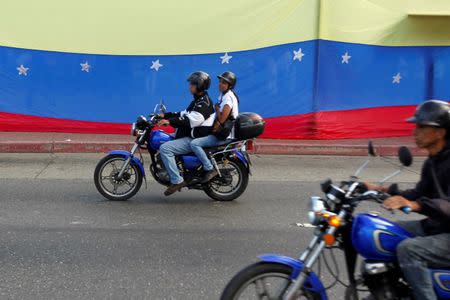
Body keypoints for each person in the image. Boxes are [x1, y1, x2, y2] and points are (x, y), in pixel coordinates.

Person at [365, 100, 450, 300]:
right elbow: (420, 192)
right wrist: (381, 191)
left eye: (421, 127)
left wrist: (414, 205)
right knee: (386, 232)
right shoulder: (432, 161)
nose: (415, 131)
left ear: (440, 132)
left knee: (409, 249)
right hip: (437, 226)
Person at [157, 71, 215, 196]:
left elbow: (189, 120)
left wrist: (169, 121)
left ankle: (177, 180)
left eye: (192, 84)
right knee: (163, 139)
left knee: (165, 148)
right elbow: (184, 113)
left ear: (199, 85)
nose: (190, 86)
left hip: (195, 137)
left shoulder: (204, 104)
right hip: (191, 135)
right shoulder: (198, 100)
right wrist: (165, 115)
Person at [190, 71, 239, 182]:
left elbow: (222, 119)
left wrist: (216, 109)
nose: (221, 84)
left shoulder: (228, 98)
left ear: (230, 86)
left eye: (224, 83)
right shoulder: (224, 95)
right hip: (223, 132)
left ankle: (209, 168)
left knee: (195, 144)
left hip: (225, 134)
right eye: (220, 82)